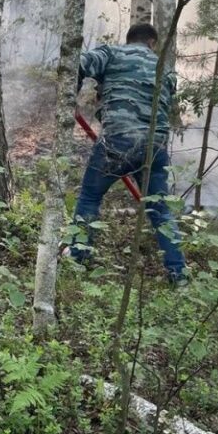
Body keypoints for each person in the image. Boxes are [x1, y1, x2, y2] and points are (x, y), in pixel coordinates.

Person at [66, 23, 187, 283]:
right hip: (154, 148)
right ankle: (179, 276)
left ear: (129, 39)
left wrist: (71, 97)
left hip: (117, 141)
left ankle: (77, 258)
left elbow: (77, 63)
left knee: (89, 197)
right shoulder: (164, 70)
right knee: (161, 212)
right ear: (152, 43)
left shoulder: (112, 54)